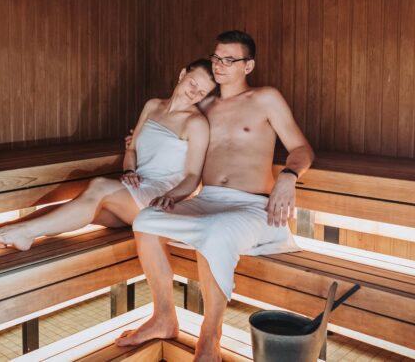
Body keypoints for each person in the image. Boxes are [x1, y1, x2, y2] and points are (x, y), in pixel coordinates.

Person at [115, 30, 315, 362]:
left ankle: (210, 336)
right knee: (147, 220)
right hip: (207, 198)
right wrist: (136, 142)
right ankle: (164, 316)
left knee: (215, 231)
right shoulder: (203, 103)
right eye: (216, 57)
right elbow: (166, 124)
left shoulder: (266, 99)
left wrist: (288, 177)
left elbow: (301, 148)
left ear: (248, 65)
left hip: (251, 205)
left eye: (229, 59)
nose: (219, 65)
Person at [0, 59, 216, 251]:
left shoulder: (196, 123)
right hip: (135, 187)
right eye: (193, 83)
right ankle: (1, 231)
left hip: (158, 199)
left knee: (97, 186)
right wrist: (129, 171)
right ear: (183, 74)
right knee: (77, 208)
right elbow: (131, 150)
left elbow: (193, 177)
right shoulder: (153, 106)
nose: (194, 93)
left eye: (202, 92)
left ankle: (23, 233)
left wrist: (170, 196)